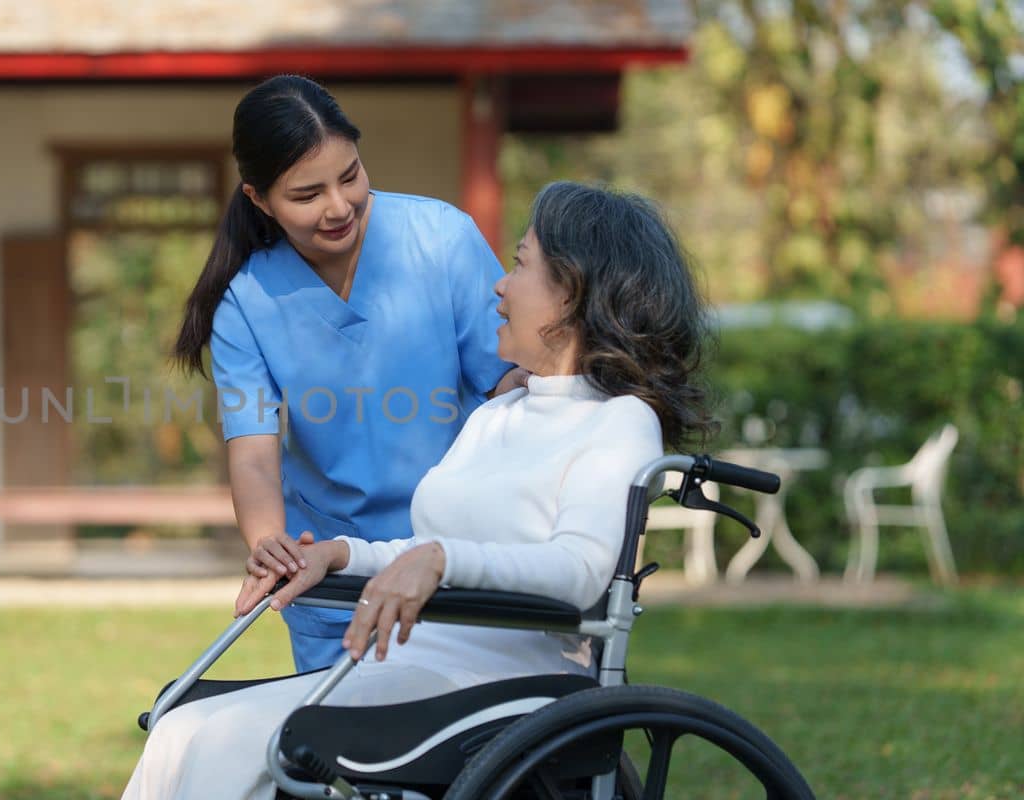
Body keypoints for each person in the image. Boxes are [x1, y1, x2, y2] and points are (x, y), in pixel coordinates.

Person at [126, 181, 716, 799]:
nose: (499, 285)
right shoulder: (499, 414)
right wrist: (340, 554)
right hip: (412, 667)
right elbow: (430, 548)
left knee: (231, 742)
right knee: (181, 725)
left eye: (519, 264)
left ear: (569, 293)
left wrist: (439, 561)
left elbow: (581, 571)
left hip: (503, 686)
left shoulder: (619, 421)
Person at [174, 75, 521, 673]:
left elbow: (508, 386)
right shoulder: (247, 302)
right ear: (259, 199)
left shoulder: (440, 239)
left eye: (351, 175)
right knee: (351, 752)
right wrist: (268, 545)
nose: (339, 207)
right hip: (333, 573)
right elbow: (254, 453)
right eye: (307, 195)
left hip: (452, 552)